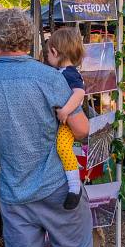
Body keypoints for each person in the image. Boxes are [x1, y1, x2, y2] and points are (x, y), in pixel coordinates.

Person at [0, 9, 93, 247]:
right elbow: (82, 129)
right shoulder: (50, 78)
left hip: (15, 191)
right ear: (29, 39)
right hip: (59, 187)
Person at [45, 27, 86, 210]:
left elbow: (79, 93)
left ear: (54, 51)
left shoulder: (69, 73)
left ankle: (74, 186)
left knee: (63, 147)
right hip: (65, 121)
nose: (46, 57)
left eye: (47, 53)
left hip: (67, 123)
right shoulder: (62, 72)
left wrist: (65, 111)